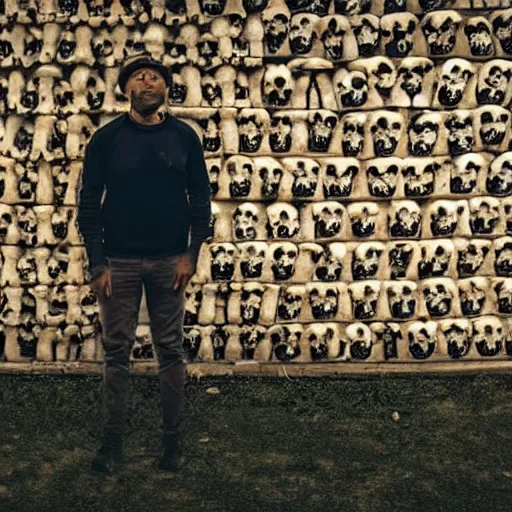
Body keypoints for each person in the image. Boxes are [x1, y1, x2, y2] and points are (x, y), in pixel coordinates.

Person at [76, 52, 213, 474]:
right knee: (117, 352)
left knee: (170, 350)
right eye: (139, 77)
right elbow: (88, 203)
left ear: (165, 88)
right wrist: (98, 264)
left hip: (169, 262)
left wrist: (191, 255)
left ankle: (171, 442)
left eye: (155, 77)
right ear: (126, 89)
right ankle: (112, 442)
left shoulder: (184, 137)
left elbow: (201, 201)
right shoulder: (107, 138)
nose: (148, 82)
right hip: (119, 262)